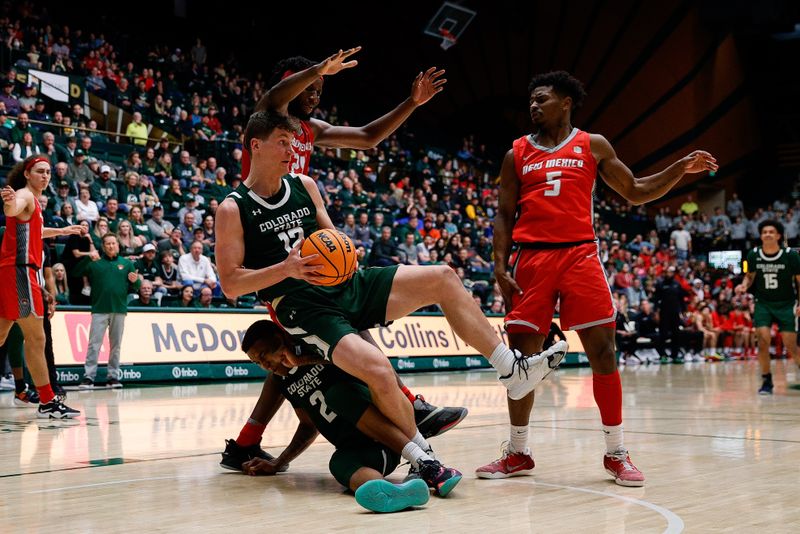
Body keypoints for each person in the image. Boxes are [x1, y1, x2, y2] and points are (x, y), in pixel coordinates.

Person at [215, 112, 566, 471]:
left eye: (293, 142)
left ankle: (512, 369)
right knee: (378, 370)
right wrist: (285, 269)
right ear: (256, 145)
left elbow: (335, 239)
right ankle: (423, 458)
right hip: (303, 306)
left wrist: (344, 253)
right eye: (282, 142)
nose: (291, 149)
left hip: (348, 283)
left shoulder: (304, 185)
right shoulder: (233, 208)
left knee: (443, 276)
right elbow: (230, 283)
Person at [487, 71, 717, 485]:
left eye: (542, 99)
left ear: (566, 102)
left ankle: (617, 452)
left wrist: (680, 169)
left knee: (604, 353)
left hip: (579, 254)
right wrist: (499, 265)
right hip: (531, 260)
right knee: (522, 363)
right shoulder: (516, 153)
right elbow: (504, 214)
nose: (534, 106)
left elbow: (636, 190)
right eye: (531, 101)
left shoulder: (592, 145)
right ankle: (518, 452)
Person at [230, 320, 461, 511]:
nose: (265, 365)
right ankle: (397, 493)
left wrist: (306, 359)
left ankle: (422, 461)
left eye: (264, 355)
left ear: (280, 339)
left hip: (387, 436)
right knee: (339, 463)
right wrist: (278, 462)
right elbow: (308, 426)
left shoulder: (316, 347)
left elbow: (366, 353)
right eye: (257, 362)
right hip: (364, 452)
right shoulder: (283, 381)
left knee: (338, 395)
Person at [241, 47, 445, 178]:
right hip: (256, 215)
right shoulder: (266, 116)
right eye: (309, 90)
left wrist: (412, 103)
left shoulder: (312, 128)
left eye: (318, 92)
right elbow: (276, 96)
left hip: (289, 218)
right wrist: (317, 70)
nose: (315, 98)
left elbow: (368, 138)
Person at [0, 155, 82, 417]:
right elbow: (12, 210)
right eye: (40, 171)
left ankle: (46, 399)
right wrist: (9, 204)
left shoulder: (33, 203)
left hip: (13, 272)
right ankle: (47, 400)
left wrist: (63, 231)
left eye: (48, 172)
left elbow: (35, 230)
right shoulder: (24, 195)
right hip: (20, 272)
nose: (45, 176)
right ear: (27, 173)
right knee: (36, 338)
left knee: (2, 336)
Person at [736, 220, 800, 395]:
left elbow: (799, 281)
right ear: (761, 235)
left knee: (790, 345)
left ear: (778, 235)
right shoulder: (753, 254)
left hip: (787, 304)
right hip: (763, 303)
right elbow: (749, 276)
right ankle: (766, 380)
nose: (768, 234)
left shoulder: (790, 255)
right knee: (763, 341)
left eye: (771, 231)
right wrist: (744, 285)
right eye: (764, 232)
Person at [74, 233, 141, 389]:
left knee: (116, 345)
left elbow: (136, 285)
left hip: (119, 309)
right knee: (94, 344)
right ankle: (89, 377)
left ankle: (113, 377)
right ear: (103, 246)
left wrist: (136, 281)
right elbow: (76, 273)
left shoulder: (126, 263)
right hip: (99, 309)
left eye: (114, 243)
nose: (111, 246)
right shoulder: (95, 264)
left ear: (118, 245)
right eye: (108, 244)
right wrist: (87, 258)